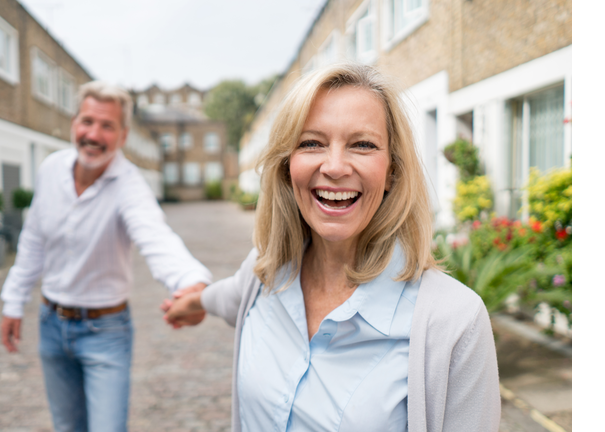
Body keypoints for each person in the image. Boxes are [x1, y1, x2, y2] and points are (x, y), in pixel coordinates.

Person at [162, 63, 501, 432]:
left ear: (392, 171)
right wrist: (192, 302)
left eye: (363, 144)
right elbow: (227, 296)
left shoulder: (454, 322)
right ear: (286, 167)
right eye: (311, 143)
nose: (335, 166)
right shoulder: (265, 274)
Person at [0, 80, 211, 432]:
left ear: (123, 136)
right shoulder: (51, 169)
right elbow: (33, 239)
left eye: (107, 126)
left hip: (105, 331)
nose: (93, 134)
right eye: (87, 121)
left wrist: (193, 284)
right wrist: (12, 300)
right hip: (51, 324)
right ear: (74, 123)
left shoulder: (130, 186)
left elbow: (156, 238)